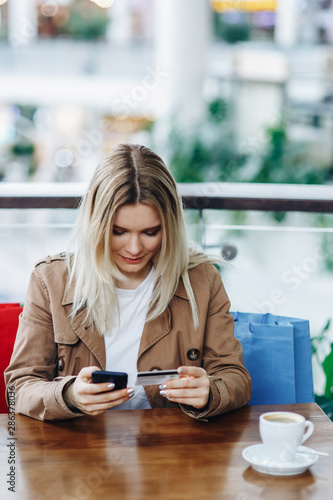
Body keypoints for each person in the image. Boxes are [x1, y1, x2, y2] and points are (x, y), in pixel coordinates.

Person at [4, 143, 251, 421]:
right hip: (79, 449)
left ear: (169, 227)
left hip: (171, 451)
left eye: (150, 232)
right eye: (118, 232)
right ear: (95, 224)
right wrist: (69, 395)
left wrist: (210, 392)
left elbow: (235, 377)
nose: (134, 249)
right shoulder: (50, 280)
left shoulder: (202, 280)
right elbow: (20, 387)